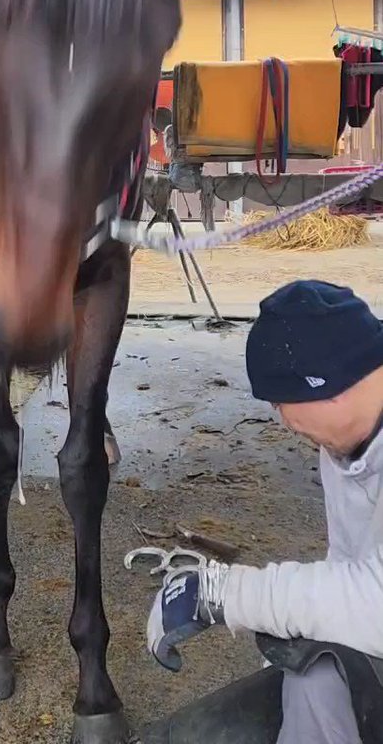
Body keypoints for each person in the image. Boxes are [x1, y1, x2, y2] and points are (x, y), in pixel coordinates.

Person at [147, 280, 383, 744]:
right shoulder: (349, 442)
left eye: (280, 401)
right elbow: (350, 567)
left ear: (328, 387)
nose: (283, 421)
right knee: (311, 670)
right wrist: (289, 628)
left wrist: (228, 594)